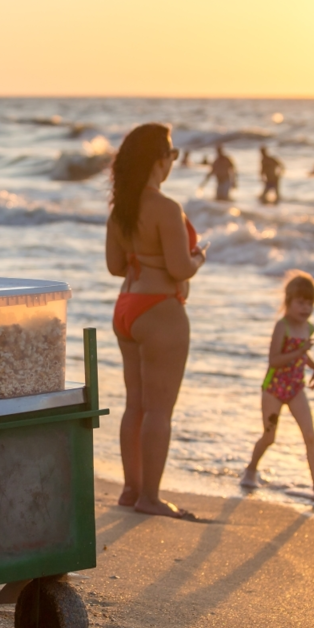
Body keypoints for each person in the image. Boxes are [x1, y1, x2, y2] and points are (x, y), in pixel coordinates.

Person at [106, 123, 206, 520]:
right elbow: (181, 266)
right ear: (159, 159)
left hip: (127, 306)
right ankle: (150, 496)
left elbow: (115, 266)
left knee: (135, 404)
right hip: (160, 309)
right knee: (159, 410)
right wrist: (199, 257)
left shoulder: (121, 208)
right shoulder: (166, 208)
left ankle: (131, 489)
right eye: (172, 155)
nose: (172, 163)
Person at [240, 271, 314, 503]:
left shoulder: (309, 328)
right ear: (288, 301)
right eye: (300, 303)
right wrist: (301, 352)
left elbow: (303, 356)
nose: (305, 308)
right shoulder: (283, 326)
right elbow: (275, 360)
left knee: (310, 435)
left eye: (310, 303)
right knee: (269, 437)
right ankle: (250, 469)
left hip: (296, 388)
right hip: (274, 388)